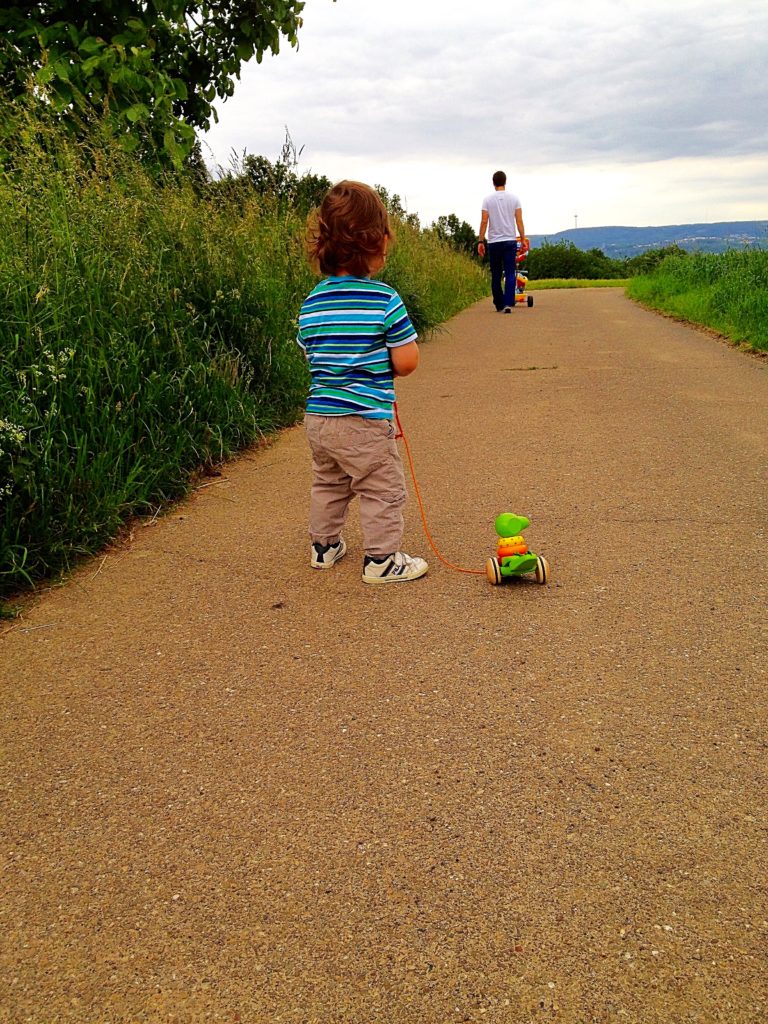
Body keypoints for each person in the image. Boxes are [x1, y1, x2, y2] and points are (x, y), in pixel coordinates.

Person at [296, 180, 429, 584]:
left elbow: (312, 355)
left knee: (329, 483)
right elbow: (406, 362)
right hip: (364, 421)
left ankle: (324, 547)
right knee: (381, 487)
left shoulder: (312, 302)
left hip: (319, 419)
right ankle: (382, 560)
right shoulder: (383, 299)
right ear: (378, 242)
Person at [477, 170, 528, 313]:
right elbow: (519, 220)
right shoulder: (514, 199)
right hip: (510, 240)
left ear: (493, 183)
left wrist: (480, 241)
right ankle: (508, 301)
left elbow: (484, 221)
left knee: (496, 274)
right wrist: (523, 239)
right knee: (510, 272)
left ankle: (499, 304)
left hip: (494, 241)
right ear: (505, 182)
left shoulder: (487, 200)